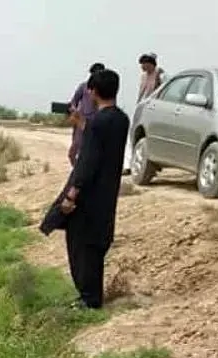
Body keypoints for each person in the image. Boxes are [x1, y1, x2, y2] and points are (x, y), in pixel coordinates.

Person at [59, 68, 129, 309]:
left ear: (93, 91)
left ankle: (88, 299)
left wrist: (72, 194)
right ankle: (93, 296)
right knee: (97, 244)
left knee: (81, 245)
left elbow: (87, 163)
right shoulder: (121, 119)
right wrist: (84, 125)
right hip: (108, 193)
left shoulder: (98, 123)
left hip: (89, 195)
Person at [68, 63, 106, 166]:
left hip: (96, 122)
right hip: (81, 121)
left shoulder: (105, 90)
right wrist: (74, 112)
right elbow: (73, 101)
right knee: (73, 151)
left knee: (89, 151)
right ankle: (77, 171)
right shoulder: (83, 86)